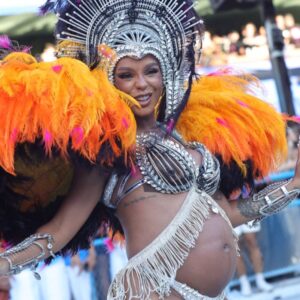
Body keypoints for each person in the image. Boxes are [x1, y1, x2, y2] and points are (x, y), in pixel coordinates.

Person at [0, 1, 299, 299]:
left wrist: (292, 186)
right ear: (109, 82)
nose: (142, 84)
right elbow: (60, 229)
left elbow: (229, 212)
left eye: (150, 71)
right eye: (127, 75)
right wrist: (5, 264)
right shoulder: (110, 154)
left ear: (165, 72)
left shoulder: (186, 138)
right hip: (153, 289)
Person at [234, 222, 273, 296]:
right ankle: (244, 283)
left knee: (252, 241)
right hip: (227, 212)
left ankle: (260, 280)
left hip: (245, 210)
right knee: (235, 246)